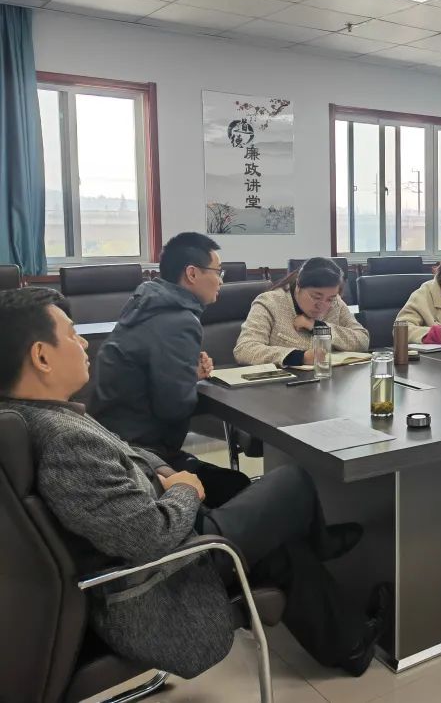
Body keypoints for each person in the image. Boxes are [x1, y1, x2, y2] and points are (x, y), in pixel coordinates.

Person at [0, 287, 386, 679]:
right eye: (71, 334)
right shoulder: (64, 440)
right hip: (170, 563)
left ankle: (351, 645)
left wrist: (169, 473)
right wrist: (185, 489)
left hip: (165, 531)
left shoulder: (39, 415)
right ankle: (322, 543)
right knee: (292, 482)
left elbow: (127, 450)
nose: (84, 343)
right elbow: (149, 536)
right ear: (41, 356)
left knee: (280, 544)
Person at [90, 231, 249, 506]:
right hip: (141, 455)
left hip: (112, 443)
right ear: (192, 273)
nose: (221, 281)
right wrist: (186, 382)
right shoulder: (179, 320)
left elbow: (147, 374)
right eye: (218, 272)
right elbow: (173, 407)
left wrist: (187, 374)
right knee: (239, 487)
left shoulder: (145, 303)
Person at [234, 257, 369, 366]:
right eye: (316, 297)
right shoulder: (270, 302)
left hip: (330, 382)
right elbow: (245, 349)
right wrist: (300, 357)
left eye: (330, 299)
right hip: (283, 387)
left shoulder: (335, 302)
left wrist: (317, 327)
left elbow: (362, 340)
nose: (322, 305)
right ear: (298, 285)